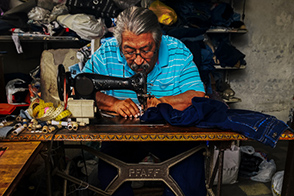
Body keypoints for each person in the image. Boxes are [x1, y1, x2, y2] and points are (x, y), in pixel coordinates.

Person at [82, 6, 207, 196]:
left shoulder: (177, 52)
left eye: (146, 50)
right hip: (122, 136)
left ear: (157, 42)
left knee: (188, 178)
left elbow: (197, 96)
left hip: (173, 135)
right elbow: (83, 88)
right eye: (129, 51)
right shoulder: (106, 53)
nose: (139, 61)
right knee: (110, 177)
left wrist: (163, 102)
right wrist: (114, 103)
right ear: (119, 44)